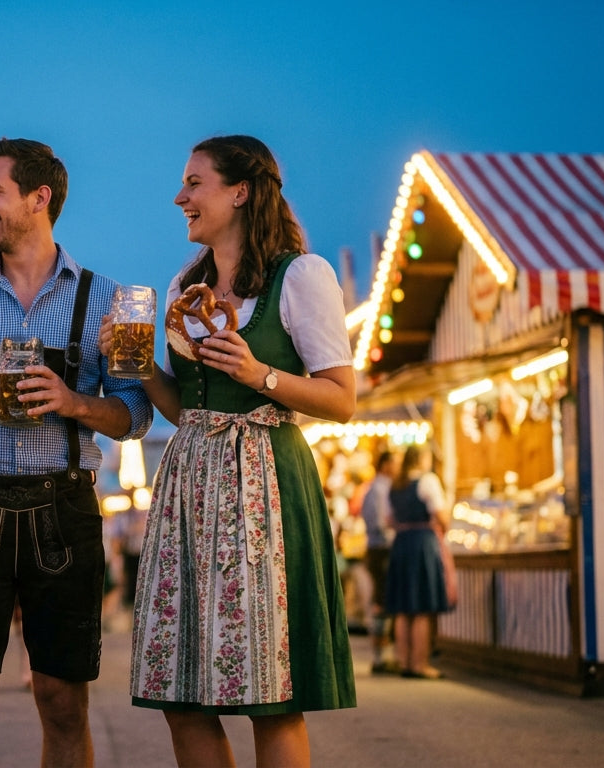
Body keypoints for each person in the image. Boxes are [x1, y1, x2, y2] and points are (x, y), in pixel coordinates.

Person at [0, 137, 153, 767]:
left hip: (63, 510)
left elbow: (135, 415)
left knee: (63, 702)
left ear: (38, 198)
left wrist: (74, 403)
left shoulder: (108, 298)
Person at [119, 135, 356, 768]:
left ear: (241, 191)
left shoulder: (300, 276)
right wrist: (141, 368)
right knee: (181, 691)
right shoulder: (183, 283)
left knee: (271, 695)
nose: (181, 197)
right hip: (189, 482)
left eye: (195, 183)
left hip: (266, 485)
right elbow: (183, 407)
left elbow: (341, 398)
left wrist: (261, 376)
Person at [385, 446, 453, 680]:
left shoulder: (395, 485)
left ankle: (403, 661)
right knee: (422, 607)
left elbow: (388, 520)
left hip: (401, 543)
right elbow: (442, 517)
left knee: (403, 608)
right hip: (422, 543)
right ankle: (420, 664)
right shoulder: (428, 481)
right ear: (423, 459)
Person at [360, 450, 399, 673]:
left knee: (382, 599)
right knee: (382, 600)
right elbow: (381, 522)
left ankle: (382, 654)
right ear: (385, 465)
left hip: (378, 548)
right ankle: (380, 656)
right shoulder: (380, 489)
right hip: (381, 549)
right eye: (394, 462)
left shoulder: (376, 488)